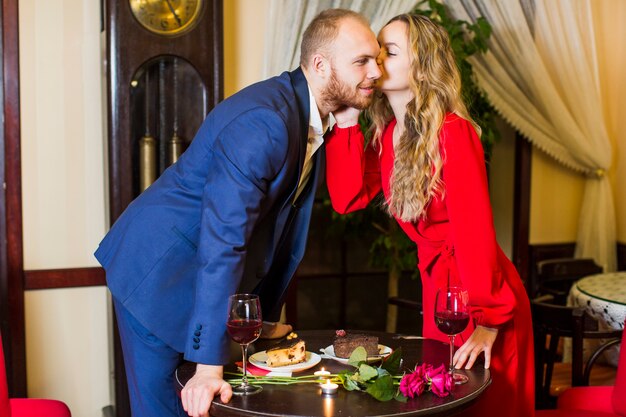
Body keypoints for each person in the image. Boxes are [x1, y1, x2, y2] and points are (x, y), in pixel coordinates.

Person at [95, 9, 381, 417]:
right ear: (320, 65)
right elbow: (224, 239)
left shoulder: (311, 116)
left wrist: (255, 321)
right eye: (362, 62)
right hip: (157, 273)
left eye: (377, 59)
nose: (376, 72)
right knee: (167, 411)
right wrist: (209, 365)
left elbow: (279, 227)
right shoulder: (266, 122)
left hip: (198, 277)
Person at [325, 14, 534, 417]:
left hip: (482, 300)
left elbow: (475, 233)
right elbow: (347, 198)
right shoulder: (388, 134)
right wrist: (348, 120)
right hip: (438, 293)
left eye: (390, 51)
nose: (377, 59)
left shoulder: (454, 132)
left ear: (422, 65)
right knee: (443, 405)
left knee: (484, 407)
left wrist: (490, 322)